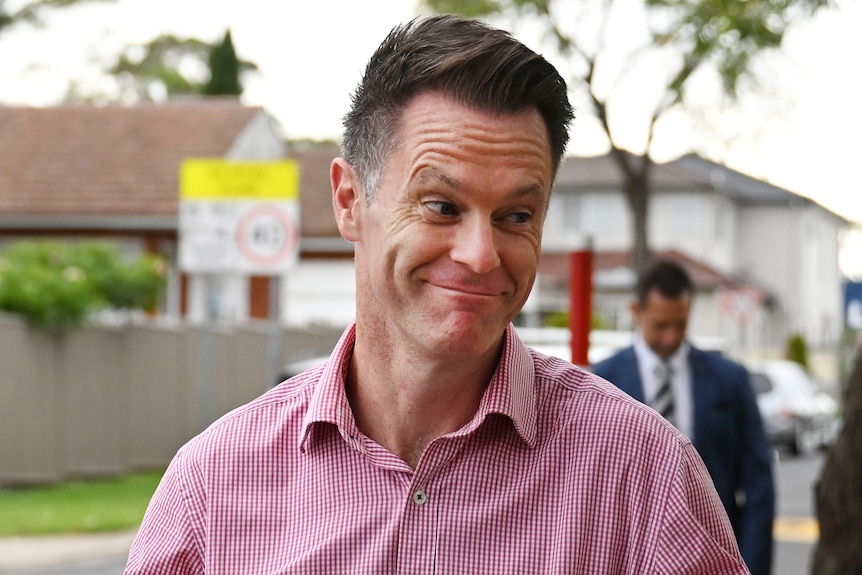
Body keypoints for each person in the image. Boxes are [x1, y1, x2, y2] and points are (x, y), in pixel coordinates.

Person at [125, 16, 751, 574]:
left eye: (515, 216)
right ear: (349, 201)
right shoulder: (214, 489)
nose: (480, 255)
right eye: (441, 205)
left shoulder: (642, 480)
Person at [592, 259, 775, 575]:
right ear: (636, 311)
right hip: (629, 557)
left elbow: (759, 484)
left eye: (680, 324)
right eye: (661, 325)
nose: (670, 337)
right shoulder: (604, 380)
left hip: (712, 557)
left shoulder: (730, 380)